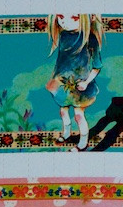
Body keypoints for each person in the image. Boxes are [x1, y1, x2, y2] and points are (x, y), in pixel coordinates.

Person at [45, 13, 104, 150]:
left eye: (74, 18)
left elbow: (97, 66)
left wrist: (86, 82)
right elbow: (60, 61)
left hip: (81, 84)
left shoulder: (90, 38)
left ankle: (83, 143)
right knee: (63, 111)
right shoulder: (63, 35)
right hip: (62, 83)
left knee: (78, 115)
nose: (65, 22)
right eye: (61, 17)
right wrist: (54, 79)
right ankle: (66, 134)